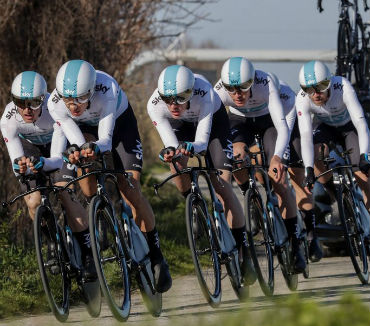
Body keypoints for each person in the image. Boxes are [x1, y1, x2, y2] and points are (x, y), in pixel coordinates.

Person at [47, 59, 172, 293]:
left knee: (130, 187)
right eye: (68, 99)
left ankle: (156, 256)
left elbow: (104, 140)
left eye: (81, 98)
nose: (74, 106)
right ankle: (101, 216)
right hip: (84, 130)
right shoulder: (55, 103)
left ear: (92, 90)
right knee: (86, 188)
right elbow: (76, 139)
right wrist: (80, 149)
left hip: (119, 128)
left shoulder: (107, 90)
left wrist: (94, 147)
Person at [147, 64, 256, 285]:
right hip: (181, 127)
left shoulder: (204, 92)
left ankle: (243, 249)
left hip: (212, 126)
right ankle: (193, 204)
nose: (174, 104)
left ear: (191, 91)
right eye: (168, 99)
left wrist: (190, 147)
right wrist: (171, 153)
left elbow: (202, 143)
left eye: (180, 97)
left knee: (222, 185)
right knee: (176, 163)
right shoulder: (155, 104)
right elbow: (170, 143)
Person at [0, 71, 97, 279]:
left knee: (64, 192)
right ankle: (53, 242)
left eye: (34, 102)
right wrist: (22, 167)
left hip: (57, 148)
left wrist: (44, 164)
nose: (27, 109)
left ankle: (89, 254)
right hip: (30, 148)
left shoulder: (55, 110)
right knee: (33, 201)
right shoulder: (8, 118)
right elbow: (16, 161)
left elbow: (56, 158)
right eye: (20, 102)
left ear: (43, 100)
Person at [214, 57, 306, 273]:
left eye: (243, 88)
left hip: (268, 123)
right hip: (239, 122)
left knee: (278, 180)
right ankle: (250, 196)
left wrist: (277, 158)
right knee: (237, 155)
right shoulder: (219, 91)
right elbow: (214, 129)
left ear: (252, 81)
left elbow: (282, 127)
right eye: (232, 89)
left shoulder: (265, 84)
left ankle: (295, 244)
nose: (237, 94)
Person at [296, 60, 370, 214]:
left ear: (329, 83)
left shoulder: (342, 86)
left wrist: (364, 155)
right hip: (325, 127)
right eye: (309, 89)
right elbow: (306, 136)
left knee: (363, 176)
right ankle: (335, 194)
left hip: (349, 127)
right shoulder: (302, 98)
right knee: (317, 156)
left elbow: (360, 122)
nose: (315, 94)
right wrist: (308, 169)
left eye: (321, 87)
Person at [268, 72, 323, 262]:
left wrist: (281, 160)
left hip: (290, 130)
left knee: (299, 181)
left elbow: (286, 130)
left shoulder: (286, 96)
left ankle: (311, 234)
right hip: (266, 127)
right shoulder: (255, 94)